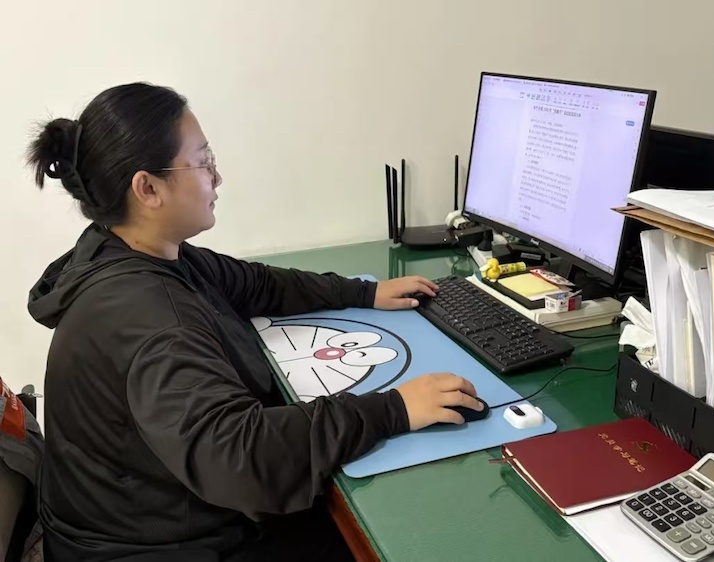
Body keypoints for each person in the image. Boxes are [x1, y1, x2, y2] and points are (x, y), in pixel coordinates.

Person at [24, 82, 483, 562]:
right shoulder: (151, 317)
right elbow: (240, 457)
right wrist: (395, 409)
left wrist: (363, 292)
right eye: (203, 162)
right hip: (154, 546)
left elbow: (255, 283)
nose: (217, 177)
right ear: (148, 189)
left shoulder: (130, 251)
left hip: (148, 513)